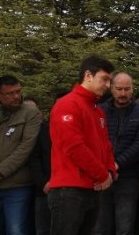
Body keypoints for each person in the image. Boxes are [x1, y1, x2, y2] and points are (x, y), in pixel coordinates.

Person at [48, 56, 117, 235]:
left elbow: (106, 146)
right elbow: (74, 147)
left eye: (109, 81)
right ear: (88, 75)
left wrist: (110, 172)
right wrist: (103, 175)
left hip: (92, 188)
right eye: (104, 79)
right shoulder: (67, 104)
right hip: (68, 189)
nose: (108, 85)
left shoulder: (97, 110)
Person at [0, 75, 42, 235]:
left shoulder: (30, 113)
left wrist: (0, 172)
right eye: (10, 93)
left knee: (16, 230)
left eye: (18, 91)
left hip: (16, 185)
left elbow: (26, 147)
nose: (16, 96)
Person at [96, 72, 139, 235]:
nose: (123, 93)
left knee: (125, 227)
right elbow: (95, 140)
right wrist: (105, 166)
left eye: (127, 89)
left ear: (132, 90)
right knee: (100, 227)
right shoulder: (99, 111)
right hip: (101, 174)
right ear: (111, 89)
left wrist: (117, 163)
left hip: (128, 177)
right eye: (119, 89)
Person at [30, 91, 67, 235]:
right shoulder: (42, 130)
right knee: (43, 230)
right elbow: (34, 159)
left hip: (71, 190)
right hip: (44, 190)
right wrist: (43, 183)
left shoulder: (80, 129)